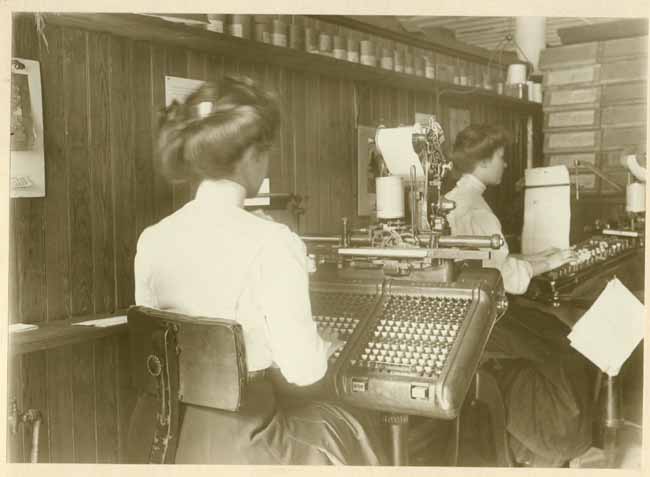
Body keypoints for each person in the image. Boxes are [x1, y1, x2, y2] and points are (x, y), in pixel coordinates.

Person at [127, 75, 387, 465]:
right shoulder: (273, 241)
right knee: (347, 426)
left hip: (164, 436)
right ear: (252, 156)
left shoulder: (153, 238)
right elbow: (303, 371)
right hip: (246, 442)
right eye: (267, 151)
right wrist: (326, 343)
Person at [445, 124, 594, 467]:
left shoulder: (452, 200)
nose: (505, 165)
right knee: (564, 345)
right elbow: (507, 278)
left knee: (548, 330)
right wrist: (552, 262)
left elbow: (493, 262)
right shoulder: (479, 212)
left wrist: (543, 258)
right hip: (486, 320)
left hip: (464, 313)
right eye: (500, 158)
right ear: (482, 163)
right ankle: (549, 446)